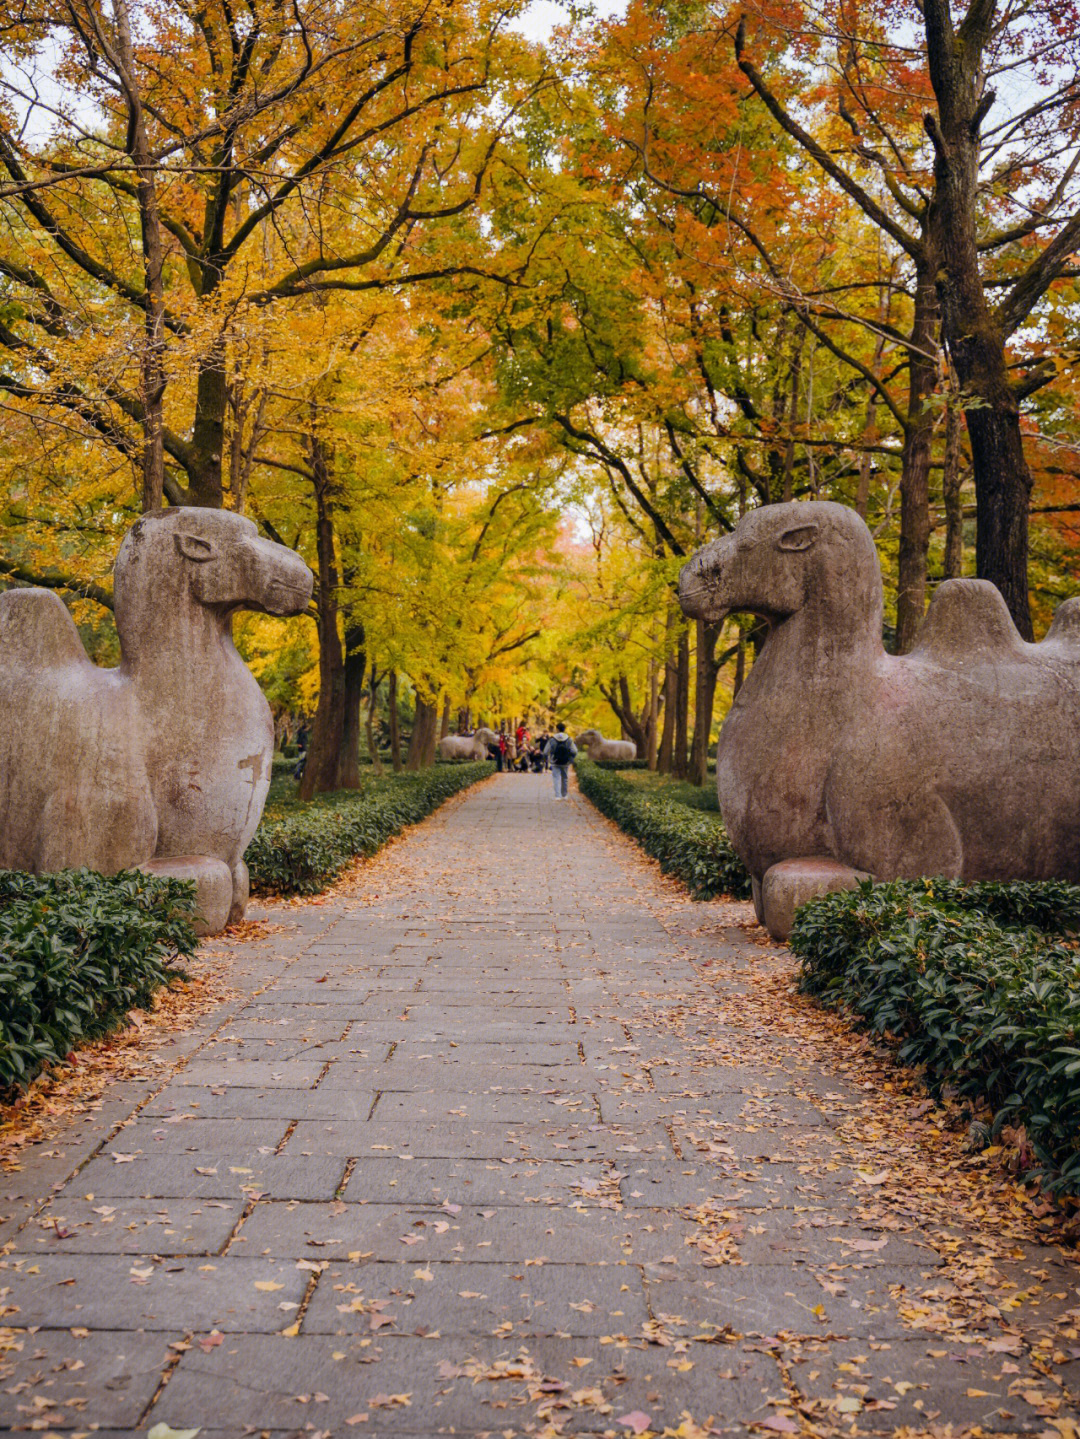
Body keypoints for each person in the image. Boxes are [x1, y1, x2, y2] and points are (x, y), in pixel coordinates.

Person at [544, 723, 577, 799]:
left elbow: (545, 752)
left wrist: (549, 757)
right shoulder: (569, 739)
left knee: (556, 778)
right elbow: (574, 751)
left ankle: (557, 796)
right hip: (565, 762)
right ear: (564, 729)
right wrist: (570, 756)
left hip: (555, 761)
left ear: (557, 729)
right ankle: (564, 795)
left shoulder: (552, 739)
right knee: (565, 778)